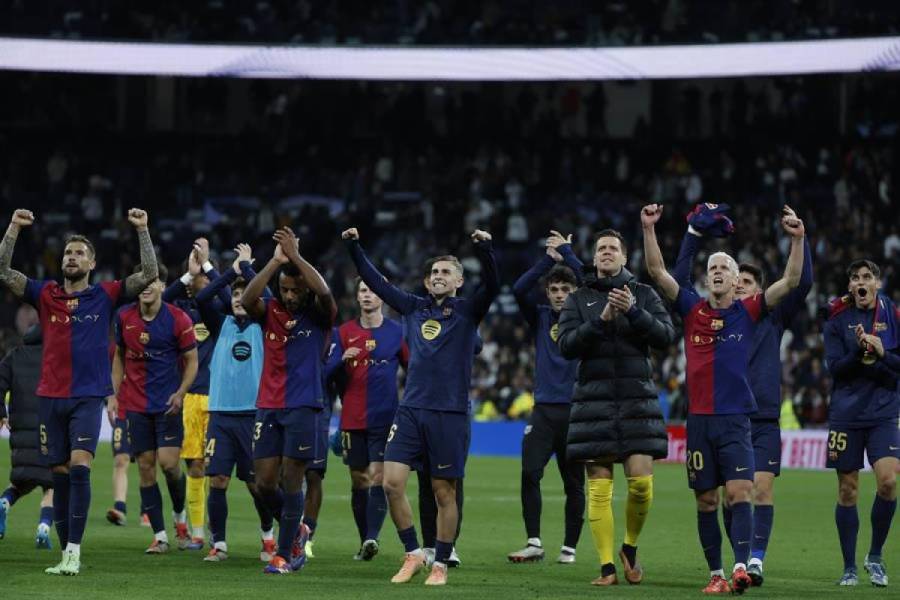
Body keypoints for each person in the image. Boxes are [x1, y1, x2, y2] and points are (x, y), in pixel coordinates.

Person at [641, 203, 805, 594]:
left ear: (736, 283)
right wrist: (649, 229)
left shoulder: (748, 311)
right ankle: (715, 574)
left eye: (724, 269)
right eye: (712, 268)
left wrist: (797, 239)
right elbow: (656, 273)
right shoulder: (692, 309)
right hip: (698, 421)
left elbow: (792, 280)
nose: (716, 272)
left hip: (735, 421)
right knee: (705, 502)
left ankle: (739, 568)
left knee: (739, 492)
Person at [0, 207, 158, 575]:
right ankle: (65, 552)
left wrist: (143, 230)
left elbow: (149, 274)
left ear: (91, 263)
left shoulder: (104, 295)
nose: (72, 257)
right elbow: (3, 272)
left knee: (79, 468)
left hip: (87, 396)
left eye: (79, 253)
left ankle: (74, 551)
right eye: (68, 252)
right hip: (50, 398)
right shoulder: (46, 294)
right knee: (57, 473)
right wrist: (13, 228)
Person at [342, 226, 499, 586]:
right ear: (427, 283)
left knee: (444, 491)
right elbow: (376, 282)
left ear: (458, 281)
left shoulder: (467, 311)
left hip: (449, 413)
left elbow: (492, 285)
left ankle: (441, 560)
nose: (439, 277)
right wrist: (354, 246)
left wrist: (486, 249)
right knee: (391, 484)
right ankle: (413, 552)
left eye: (446, 272)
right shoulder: (413, 308)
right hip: (411, 410)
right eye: (434, 273)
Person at [557, 228, 675, 585]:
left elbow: (666, 337)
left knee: (641, 484)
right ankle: (607, 566)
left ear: (624, 258)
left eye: (613, 248)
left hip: (636, 401)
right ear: (594, 259)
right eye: (601, 249)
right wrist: (601, 321)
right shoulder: (579, 299)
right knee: (599, 488)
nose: (606, 253)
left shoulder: (643, 294)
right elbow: (565, 346)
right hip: (593, 402)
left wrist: (635, 314)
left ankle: (630, 547)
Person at [241, 227, 336, 575]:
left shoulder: (321, 314)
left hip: (304, 405)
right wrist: (275, 262)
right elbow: (248, 299)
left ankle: (284, 555)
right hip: (268, 404)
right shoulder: (269, 310)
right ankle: (298, 529)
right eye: (285, 289)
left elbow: (323, 290)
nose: (290, 296)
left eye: (296, 290)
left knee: (293, 479)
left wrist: (296, 257)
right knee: (265, 482)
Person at [108, 263, 199, 554]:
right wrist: (114, 395)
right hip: (136, 406)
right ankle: (160, 536)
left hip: (168, 405)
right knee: (146, 469)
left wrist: (181, 392)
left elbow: (192, 361)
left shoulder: (178, 318)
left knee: (170, 466)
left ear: (162, 286)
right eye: (142, 281)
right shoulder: (123, 317)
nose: (147, 286)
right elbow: (120, 357)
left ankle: (179, 517)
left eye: (153, 281)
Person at [508, 231, 586, 565]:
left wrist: (567, 254)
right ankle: (535, 542)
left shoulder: (586, 315)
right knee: (529, 473)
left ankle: (569, 547)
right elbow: (517, 289)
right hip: (543, 411)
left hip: (576, 411)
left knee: (574, 483)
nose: (557, 295)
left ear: (574, 293)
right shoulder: (540, 317)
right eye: (553, 290)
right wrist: (548, 261)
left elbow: (592, 282)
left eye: (565, 290)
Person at [194, 243, 275, 562]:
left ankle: (268, 536)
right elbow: (202, 297)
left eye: (246, 295)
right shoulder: (221, 323)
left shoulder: (263, 324)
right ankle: (220, 543)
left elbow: (267, 299)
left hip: (253, 415)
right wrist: (228, 272)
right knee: (218, 479)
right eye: (236, 295)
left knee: (257, 484)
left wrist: (248, 271)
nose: (240, 299)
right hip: (221, 416)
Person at [823, 259, 898, 587]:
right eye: (855, 278)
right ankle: (850, 567)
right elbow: (834, 368)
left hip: (883, 412)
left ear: (877, 283)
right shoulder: (837, 319)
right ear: (850, 286)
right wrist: (858, 350)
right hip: (846, 415)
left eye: (867, 277)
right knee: (848, 490)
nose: (861, 282)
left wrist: (882, 352)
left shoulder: (893, 316)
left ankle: (876, 555)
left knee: (888, 482)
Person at [329, 278, 408, 561]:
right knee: (358, 479)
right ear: (357, 295)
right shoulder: (343, 332)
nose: (367, 295)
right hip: (351, 418)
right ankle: (365, 540)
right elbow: (324, 373)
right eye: (363, 290)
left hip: (385, 417)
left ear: (383, 297)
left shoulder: (398, 332)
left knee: (377, 476)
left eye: (373, 291)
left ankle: (372, 537)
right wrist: (340, 360)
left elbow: (414, 370)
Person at [162, 237, 230, 548]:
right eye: (196, 277)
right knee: (195, 466)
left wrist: (207, 265)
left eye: (203, 275)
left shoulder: (218, 310)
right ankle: (199, 533)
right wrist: (189, 274)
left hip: (218, 397)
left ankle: (220, 532)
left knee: (219, 470)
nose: (200, 282)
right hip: (190, 397)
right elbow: (161, 300)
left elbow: (228, 295)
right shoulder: (179, 312)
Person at [0, 325, 54, 548]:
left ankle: (4, 502)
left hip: (20, 429)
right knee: (53, 484)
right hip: (49, 428)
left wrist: (2, 413)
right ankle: (43, 528)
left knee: (22, 479)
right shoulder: (54, 357)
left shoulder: (13, 356)